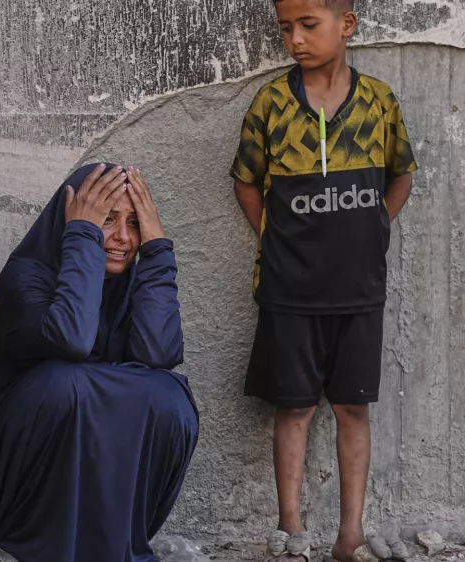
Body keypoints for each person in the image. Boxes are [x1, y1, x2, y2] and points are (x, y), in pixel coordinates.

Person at [230, 1, 418, 561]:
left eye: (308, 25)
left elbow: (402, 173)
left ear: (348, 24)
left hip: (359, 289)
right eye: (286, 28)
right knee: (293, 408)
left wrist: (372, 228)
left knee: (353, 408)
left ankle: (349, 537)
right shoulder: (271, 103)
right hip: (290, 291)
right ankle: (292, 535)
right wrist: (277, 239)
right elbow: (245, 181)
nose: (295, 40)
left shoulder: (378, 102)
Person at [0, 163, 199, 562]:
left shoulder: (132, 283)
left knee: (170, 395)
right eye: (105, 219)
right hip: (3, 481)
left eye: (135, 223)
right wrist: (81, 237)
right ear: (72, 217)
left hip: (100, 473)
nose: (121, 237)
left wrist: (157, 250)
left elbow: (159, 354)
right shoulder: (25, 278)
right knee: (65, 382)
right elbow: (73, 339)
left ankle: (117, 539)